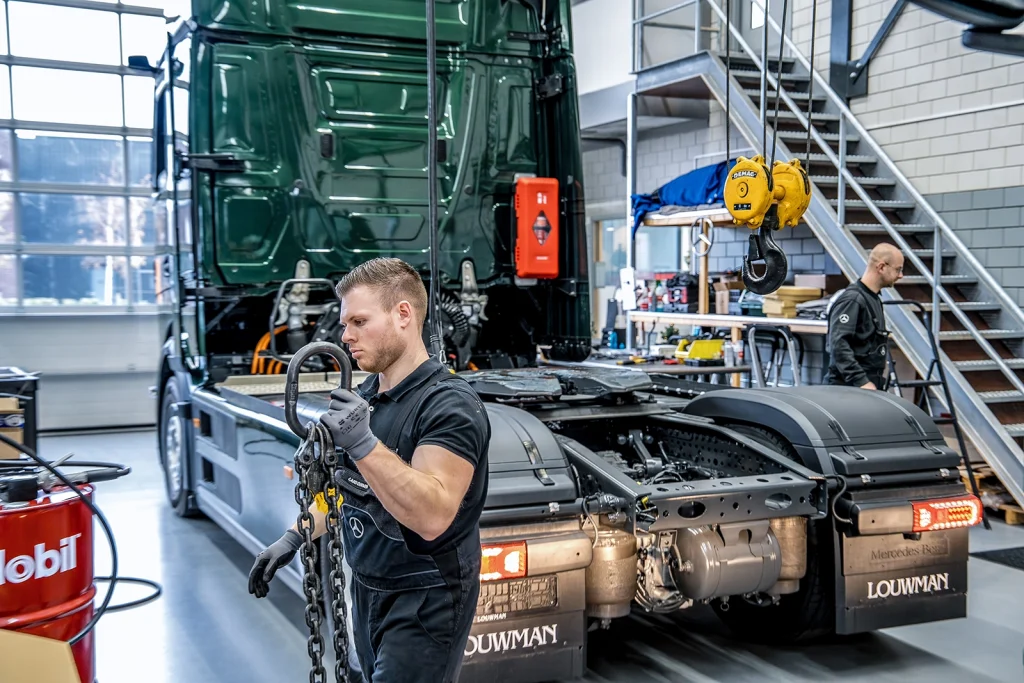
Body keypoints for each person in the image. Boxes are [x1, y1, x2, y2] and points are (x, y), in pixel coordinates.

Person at [248, 257, 491, 683]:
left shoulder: (449, 406)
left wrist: (363, 443)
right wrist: (294, 536)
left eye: (359, 321)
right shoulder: (367, 397)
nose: (346, 335)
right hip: (368, 589)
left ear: (403, 315)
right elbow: (347, 490)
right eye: (346, 324)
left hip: (426, 598)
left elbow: (432, 515)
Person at [826, 242, 904, 390]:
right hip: (847, 389)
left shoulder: (874, 299)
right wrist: (861, 381)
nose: (901, 275)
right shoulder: (853, 300)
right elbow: (838, 345)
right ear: (881, 267)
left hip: (866, 385)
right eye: (898, 269)